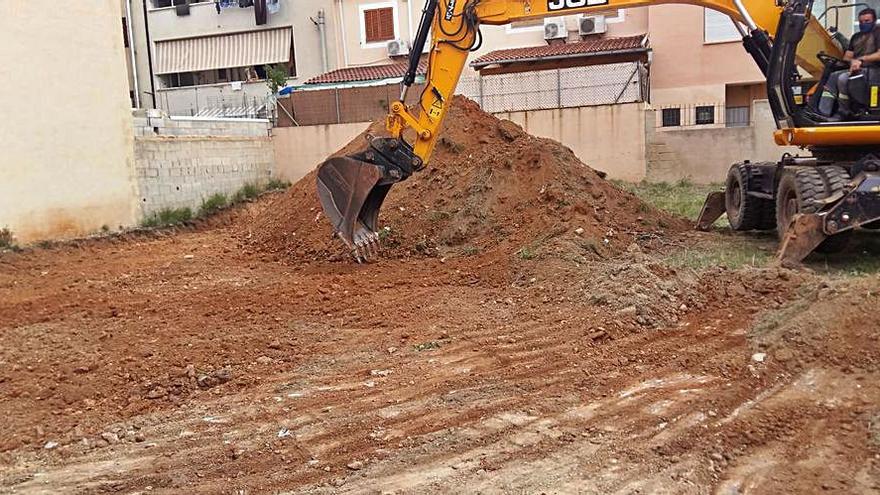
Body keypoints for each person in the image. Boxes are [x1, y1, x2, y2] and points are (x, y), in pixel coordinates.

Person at [818, 7, 880, 118]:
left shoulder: (878, 33)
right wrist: (852, 62)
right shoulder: (856, 37)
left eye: (867, 21)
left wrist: (860, 60)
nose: (863, 24)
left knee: (843, 78)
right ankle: (823, 112)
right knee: (832, 76)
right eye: (861, 21)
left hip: (874, 70)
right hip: (857, 69)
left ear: (874, 21)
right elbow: (847, 57)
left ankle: (844, 111)